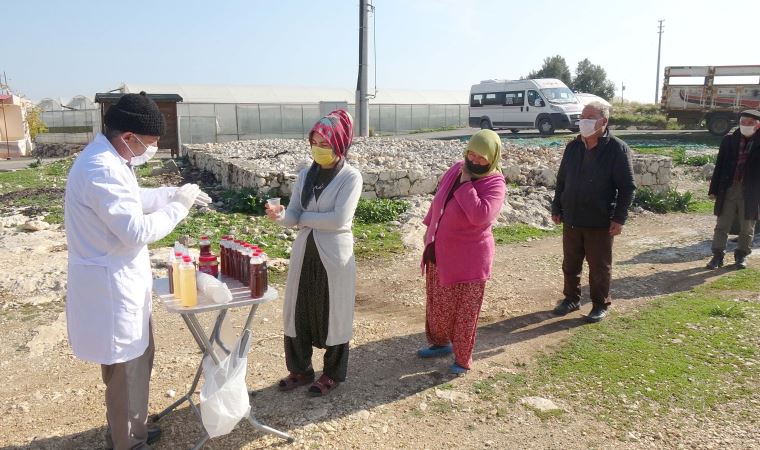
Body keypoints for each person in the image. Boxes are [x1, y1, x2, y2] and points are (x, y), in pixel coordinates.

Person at [65, 92, 210, 450]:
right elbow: (135, 230)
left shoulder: (113, 160)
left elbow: (133, 198)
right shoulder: (101, 168)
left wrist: (171, 192)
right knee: (125, 373)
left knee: (137, 362)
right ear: (127, 137)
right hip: (111, 289)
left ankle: (133, 428)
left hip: (120, 283)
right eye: (149, 142)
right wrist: (178, 208)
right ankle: (128, 441)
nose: (153, 148)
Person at [265, 110, 362, 396]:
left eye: (324, 143)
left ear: (340, 144)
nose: (318, 149)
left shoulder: (350, 177)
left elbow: (338, 220)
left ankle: (332, 373)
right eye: (314, 142)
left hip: (335, 255)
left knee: (333, 311)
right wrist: (280, 215)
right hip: (306, 250)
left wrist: (301, 217)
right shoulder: (307, 174)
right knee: (298, 310)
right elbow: (294, 213)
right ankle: (301, 370)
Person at [416, 129, 506, 375]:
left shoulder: (495, 183)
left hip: (470, 260)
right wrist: (429, 229)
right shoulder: (456, 168)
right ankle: (439, 343)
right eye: (472, 154)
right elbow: (440, 199)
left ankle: (462, 358)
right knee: (438, 304)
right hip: (440, 252)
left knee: (465, 311)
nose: (474, 160)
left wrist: (467, 184)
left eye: (481, 157)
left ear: (493, 158)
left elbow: (480, 215)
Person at [551, 101, 636, 323]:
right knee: (570, 264)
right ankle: (571, 299)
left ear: (603, 121)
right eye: (582, 116)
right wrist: (557, 207)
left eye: (590, 116)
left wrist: (619, 218)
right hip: (572, 217)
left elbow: (627, 187)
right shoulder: (573, 147)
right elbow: (562, 181)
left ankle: (600, 304)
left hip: (600, 220)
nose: (583, 120)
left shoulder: (617, 148)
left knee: (599, 267)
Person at [706, 109, 760, 270]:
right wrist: (713, 189)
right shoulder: (729, 141)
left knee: (747, 226)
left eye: (749, 123)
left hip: (751, 192)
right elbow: (720, 167)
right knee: (722, 224)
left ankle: (741, 255)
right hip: (729, 188)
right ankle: (717, 256)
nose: (745, 125)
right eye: (743, 122)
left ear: (757, 126)